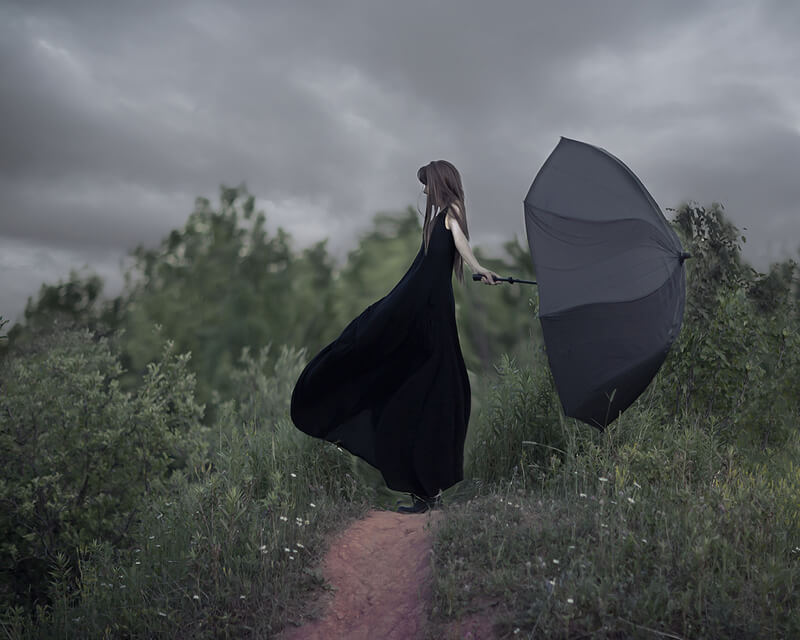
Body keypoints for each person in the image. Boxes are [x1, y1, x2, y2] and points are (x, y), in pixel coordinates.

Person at [290, 160, 500, 513]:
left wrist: (479, 269)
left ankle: (427, 490)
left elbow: (461, 243)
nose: (423, 191)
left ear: (440, 182)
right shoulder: (444, 216)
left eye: (426, 184)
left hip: (427, 310)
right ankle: (426, 491)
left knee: (432, 388)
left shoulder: (451, 211)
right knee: (420, 386)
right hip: (422, 308)